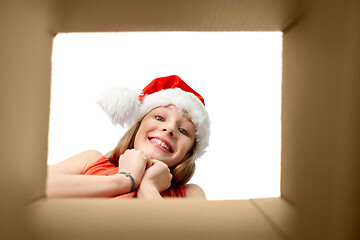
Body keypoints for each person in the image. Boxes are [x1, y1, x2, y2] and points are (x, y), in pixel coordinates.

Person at [46, 75, 210, 199]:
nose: (169, 129)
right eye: (159, 118)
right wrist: (125, 180)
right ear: (138, 126)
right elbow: (34, 188)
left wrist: (149, 186)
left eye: (183, 131)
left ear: (189, 153)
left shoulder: (189, 194)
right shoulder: (91, 161)